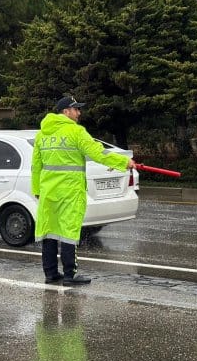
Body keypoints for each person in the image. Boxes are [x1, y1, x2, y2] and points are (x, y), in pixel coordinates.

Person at [31, 96, 134, 285]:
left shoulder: (42, 135)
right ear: (66, 111)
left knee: (49, 230)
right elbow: (98, 152)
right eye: (76, 109)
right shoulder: (76, 132)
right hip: (70, 191)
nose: (79, 113)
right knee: (69, 231)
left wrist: (37, 190)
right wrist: (123, 162)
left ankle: (51, 274)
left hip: (48, 192)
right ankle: (69, 275)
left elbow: (36, 166)